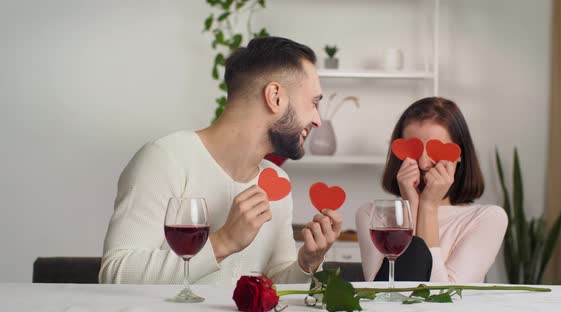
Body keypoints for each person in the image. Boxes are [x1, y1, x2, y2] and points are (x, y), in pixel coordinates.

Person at [99, 37, 343, 285]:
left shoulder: (277, 180)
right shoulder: (166, 159)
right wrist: (224, 241)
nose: (317, 120)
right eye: (313, 103)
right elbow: (115, 273)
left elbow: (278, 281)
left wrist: (307, 262)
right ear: (275, 97)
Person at [356, 97, 508, 283]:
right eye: (413, 150)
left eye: (435, 151)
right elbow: (380, 291)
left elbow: (443, 295)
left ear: (458, 155)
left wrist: (428, 206)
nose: (423, 163)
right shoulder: (372, 214)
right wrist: (410, 206)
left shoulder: (488, 218)